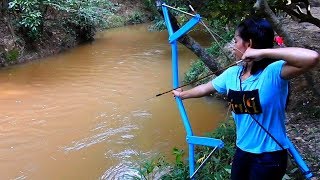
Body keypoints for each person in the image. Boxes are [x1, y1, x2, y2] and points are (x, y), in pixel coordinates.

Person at [172, 18, 319, 180]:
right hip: (243, 152)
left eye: (236, 41)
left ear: (248, 44)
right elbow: (206, 88)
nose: (233, 46)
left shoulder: (272, 72)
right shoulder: (232, 74)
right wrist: (183, 94)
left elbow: (312, 58)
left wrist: (262, 52)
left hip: (269, 156)